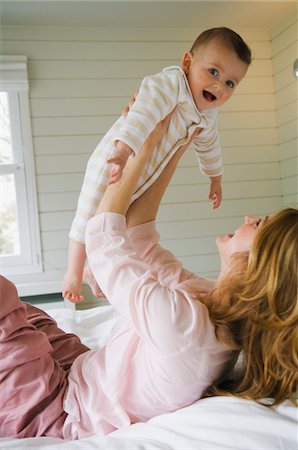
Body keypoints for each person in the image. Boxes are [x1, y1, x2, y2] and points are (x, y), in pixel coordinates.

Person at [0, 115, 296, 440]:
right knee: (25, 312)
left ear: (259, 264)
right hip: (80, 367)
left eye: (257, 224)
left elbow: (103, 238)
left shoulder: (189, 328)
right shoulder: (209, 302)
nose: (248, 218)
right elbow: (140, 240)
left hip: (56, 409)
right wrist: (174, 144)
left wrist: (146, 143)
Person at [62, 26, 252, 302]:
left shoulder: (207, 117)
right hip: (115, 159)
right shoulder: (172, 84)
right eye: (213, 72)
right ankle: (73, 272)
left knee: (119, 225)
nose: (218, 86)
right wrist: (123, 151)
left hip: (142, 176)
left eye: (230, 83)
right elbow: (142, 114)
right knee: (91, 214)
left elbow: (209, 147)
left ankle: (95, 270)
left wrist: (215, 177)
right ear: (188, 62)